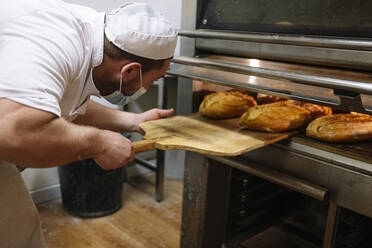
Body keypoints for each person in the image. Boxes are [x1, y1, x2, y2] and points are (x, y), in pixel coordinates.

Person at [0, 0, 178, 247]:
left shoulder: (91, 40)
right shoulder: (57, 39)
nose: (147, 87)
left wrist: (132, 121)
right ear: (130, 71)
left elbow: (64, 104)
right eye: (153, 79)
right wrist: (100, 144)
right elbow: (13, 132)